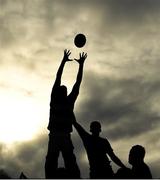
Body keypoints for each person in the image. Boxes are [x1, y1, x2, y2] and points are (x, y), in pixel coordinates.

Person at [45, 49, 87, 178]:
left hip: (62, 135)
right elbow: (58, 77)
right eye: (63, 89)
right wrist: (63, 61)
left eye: (64, 89)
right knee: (55, 161)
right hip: (57, 135)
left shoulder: (66, 101)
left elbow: (77, 83)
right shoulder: (56, 100)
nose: (64, 88)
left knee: (68, 162)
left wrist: (81, 65)